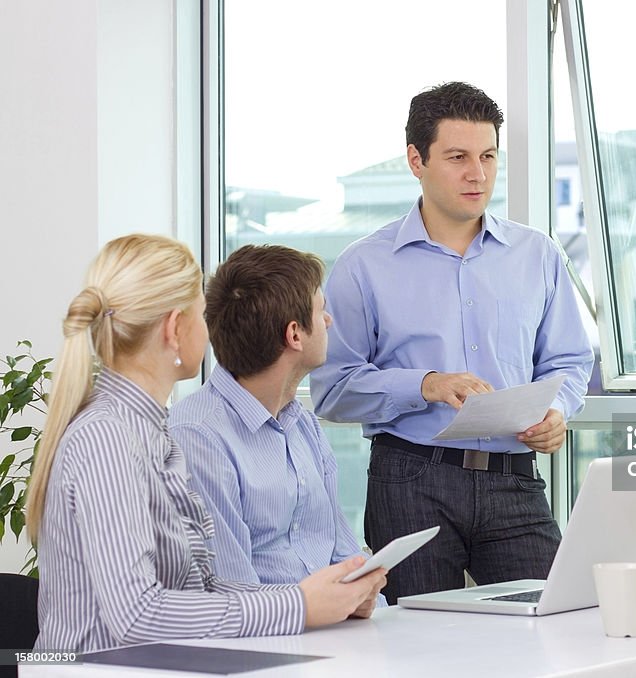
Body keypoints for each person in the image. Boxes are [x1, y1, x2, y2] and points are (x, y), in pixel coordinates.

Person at [27, 234, 386, 653]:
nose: (214, 327)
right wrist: (299, 605)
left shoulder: (146, 430)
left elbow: (202, 588)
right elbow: (137, 616)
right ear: (175, 329)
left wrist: (324, 599)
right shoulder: (108, 437)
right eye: (201, 313)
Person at [310, 81, 594, 602]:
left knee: (559, 624)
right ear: (416, 160)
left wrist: (556, 411)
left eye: (488, 156)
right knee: (418, 645)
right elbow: (332, 388)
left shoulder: (539, 255)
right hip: (411, 479)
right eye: (458, 156)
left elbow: (570, 361)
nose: (478, 174)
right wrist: (425, 385)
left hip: (515, 478)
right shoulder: (363, 265)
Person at [168, 245, 382, 607]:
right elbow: (232, 594)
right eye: (321, 310)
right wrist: (320, 606)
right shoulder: (196, 437)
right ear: (294, 334)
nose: (328, 321)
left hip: (332, 634)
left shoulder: (303, 424)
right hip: (266, 641)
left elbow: (344, 554)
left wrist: (362, 594)